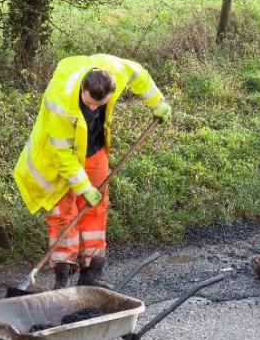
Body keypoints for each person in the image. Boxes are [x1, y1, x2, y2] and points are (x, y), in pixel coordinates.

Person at [14, 55, 170, 289]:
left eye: (99, 104)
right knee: (63, 213)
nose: (93, 108)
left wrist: (157, 103)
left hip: (93, 149)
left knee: (96, 209)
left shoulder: (115, 71)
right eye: (88, 104)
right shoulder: (61, 100)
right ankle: (62, 277)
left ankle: (91, 273)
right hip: (57, 156)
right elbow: (62, 156)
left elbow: (138, 74)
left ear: (112, 89)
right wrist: (83, 187)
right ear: (82, 88)